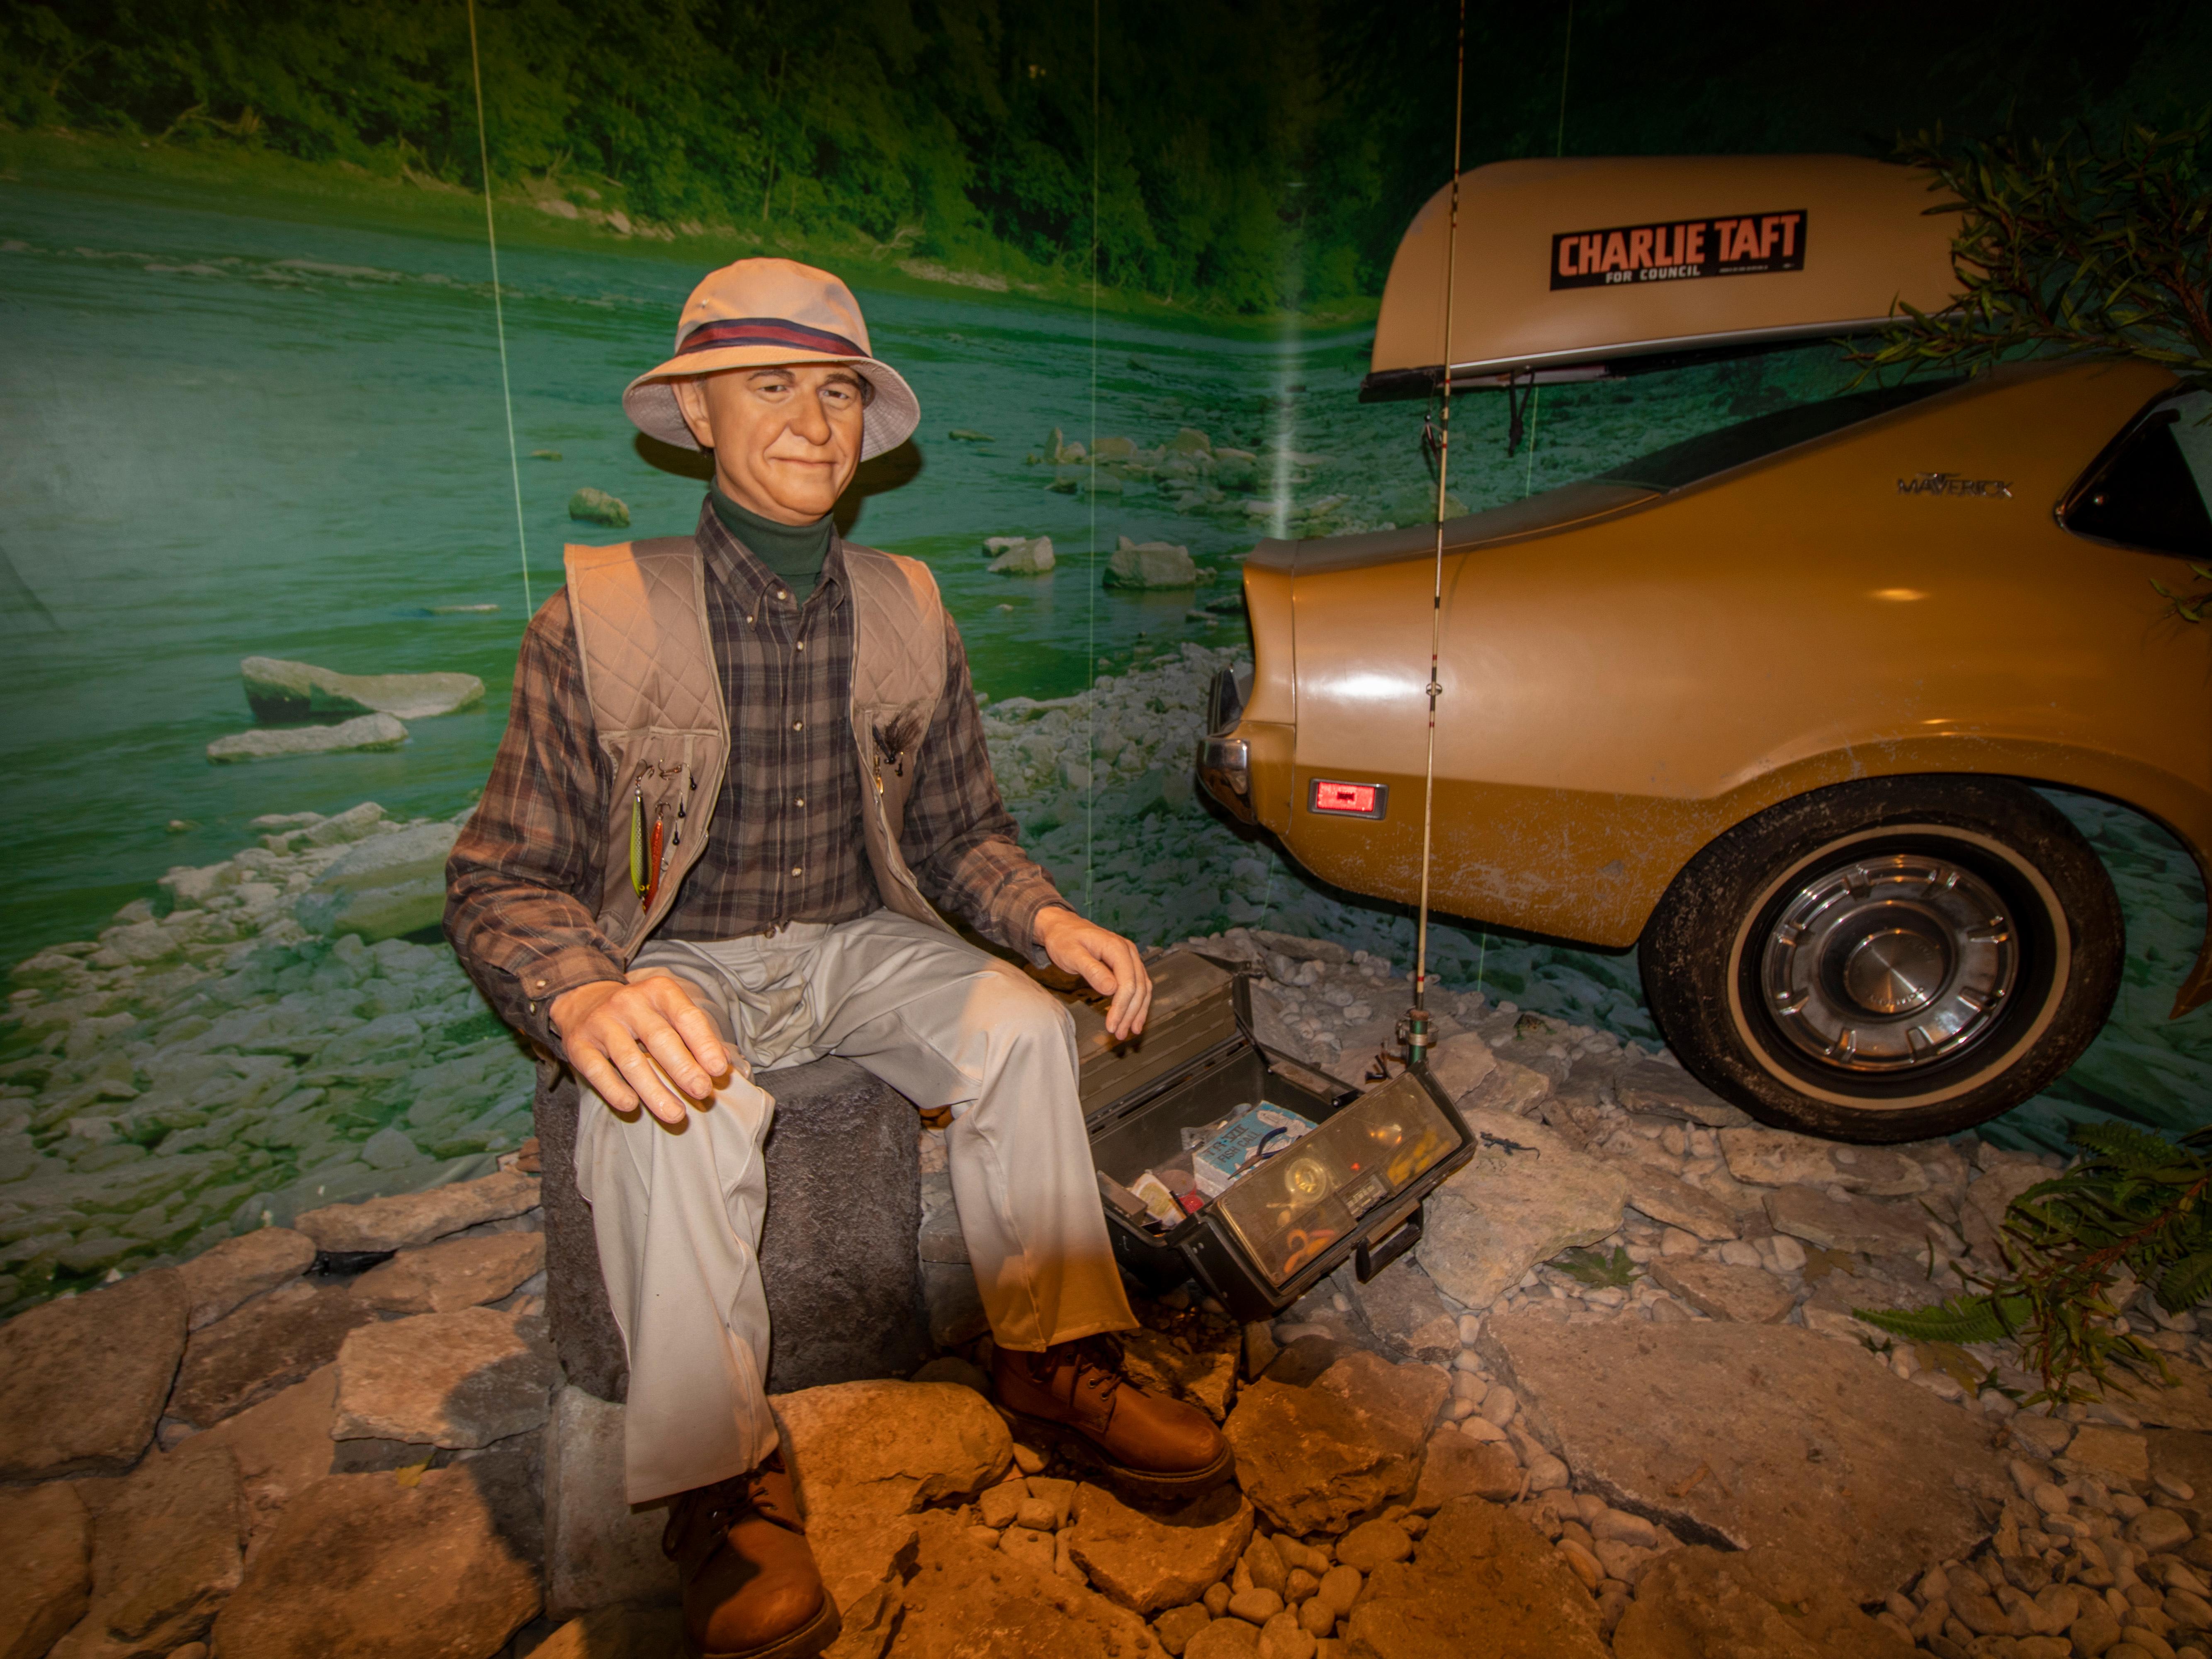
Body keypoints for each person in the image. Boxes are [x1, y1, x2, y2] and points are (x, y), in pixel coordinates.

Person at [445, 258, 1230, 1659]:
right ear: (697, 412)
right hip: (675, 957)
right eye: (771, 386)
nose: (814, 421)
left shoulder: (911, 607)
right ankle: (717, 1483)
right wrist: (582, 988)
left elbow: (960, 831)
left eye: (838, 390)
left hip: (860, 940)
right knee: (667, 1101)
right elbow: (503, 874)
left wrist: (1046, 921)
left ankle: (1052, 1356)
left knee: (1020, 1024)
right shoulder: (595, 620)